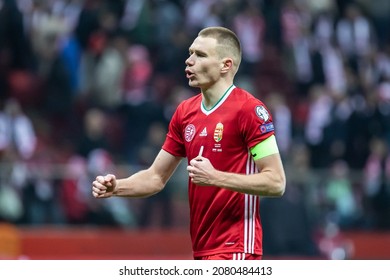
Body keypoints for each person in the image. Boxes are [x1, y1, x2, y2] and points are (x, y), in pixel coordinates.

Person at [92, 26, 286, 260]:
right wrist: (117, 188)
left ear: (226, 65)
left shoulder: (250, 110)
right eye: (190, 53)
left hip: (236, 248)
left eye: (200, 55)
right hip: (201, 249)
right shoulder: (185, 112)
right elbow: (155, 177)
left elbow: (276, 182)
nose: (189, 61)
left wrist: (216, 177)